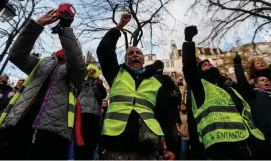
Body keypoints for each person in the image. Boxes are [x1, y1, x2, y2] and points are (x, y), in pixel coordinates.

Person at [0, 9, 86, 160]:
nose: (69, 45)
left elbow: (76, 62)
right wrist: (37, 25)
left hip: (52, 135)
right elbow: (16, 55)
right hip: (17, 126)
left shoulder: (78, 71)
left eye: (73, 44)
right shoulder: (42, 62)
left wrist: (65, 28)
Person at [97, 13, 177, 160]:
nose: (135, 55)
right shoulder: (116, 74)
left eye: (138, 53)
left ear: (143, 58)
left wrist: (171, 147)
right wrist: (118, 27)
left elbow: (165, 115)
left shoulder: (156, 82)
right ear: (126, 59)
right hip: (115, 144)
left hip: (148, 146)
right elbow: (104, 50)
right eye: (131, 53)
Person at [182, 26, 265, 159]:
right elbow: (189, 68)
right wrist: (188, 42)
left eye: (210, 63)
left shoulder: (229, 88)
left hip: (249, 147)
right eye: (204, 65)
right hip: (220, 149)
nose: (208, 64)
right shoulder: (200, 87)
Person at [234, 53, 271, 158]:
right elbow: (242, 82)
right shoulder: (254, 94)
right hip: (265, 138)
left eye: (267, 80)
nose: (266, 81)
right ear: (255, 84)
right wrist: (237, 64)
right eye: (262, 80)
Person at [75, 64, 107, 160]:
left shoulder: (98, 83)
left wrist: (98, 84)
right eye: (90, 70)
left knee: (91, 141)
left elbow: (103, 95)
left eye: (94, 71)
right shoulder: (80, 82)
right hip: (81, 113)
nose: (91, 72)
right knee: (79, 138)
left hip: (94, 114)